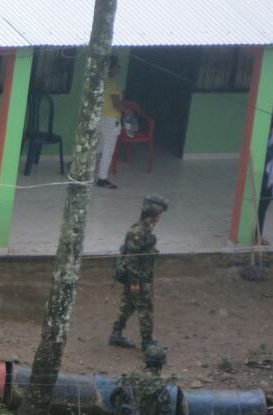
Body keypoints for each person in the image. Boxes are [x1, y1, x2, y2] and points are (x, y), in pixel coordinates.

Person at [109, 194, 169, 351]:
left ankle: (116, 334)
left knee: (128, 305)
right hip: (138, 278)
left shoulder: (143, 229)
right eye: (159, 213)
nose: (160, 217)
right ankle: (147, 342)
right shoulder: (138, 232)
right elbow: (132, 259)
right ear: (153, 213)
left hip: (137, 276)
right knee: (145, 309)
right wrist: (135, 282)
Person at [110, 345, 172, 415]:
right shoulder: (160, 385)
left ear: (146, 360)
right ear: (161, 364)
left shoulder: (132, 375)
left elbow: (114, 396)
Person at [97, 55, 125, 189]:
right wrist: (127, 111)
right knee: (107, 150)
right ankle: (102, 179)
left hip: (99, 118)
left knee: (98, 148)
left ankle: (77, 166)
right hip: (110, 120)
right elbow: (116, 104)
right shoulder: (112, 83)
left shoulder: (99, 80)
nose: (118, 69)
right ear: (112, 67)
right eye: (117, 66)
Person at [256, 115, 273, 246]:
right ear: (270, 127)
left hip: (271, 179)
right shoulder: (264, 140)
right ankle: (257, 235)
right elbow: (266, 156)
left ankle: (258, 234)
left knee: (263, 207)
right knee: (261, 207)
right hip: (264, 179)